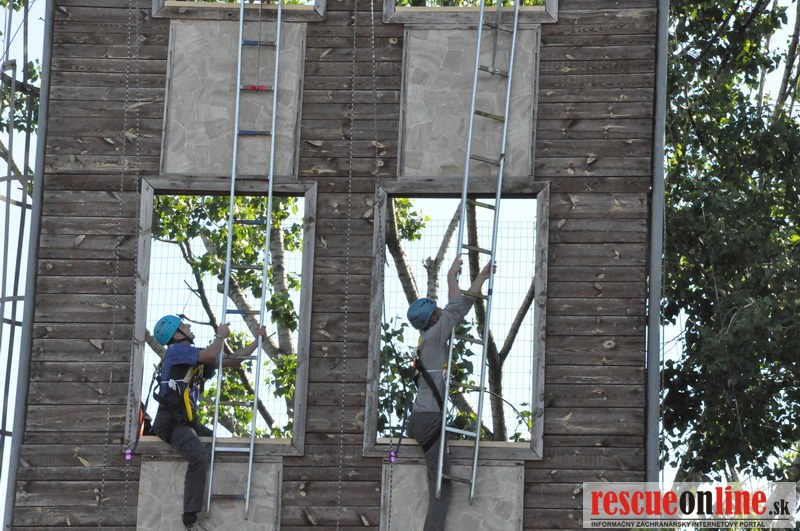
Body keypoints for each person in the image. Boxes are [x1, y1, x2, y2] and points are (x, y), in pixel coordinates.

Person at [151, 315, 267, 531]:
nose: (188, 325)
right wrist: (220, 336)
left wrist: (256, 342)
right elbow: (212, 353)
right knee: (198, 456)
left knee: (216, 443)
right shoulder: (176, 351)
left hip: (185, 420)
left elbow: (231, 361)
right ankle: (190, 518)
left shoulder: (191, 355)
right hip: (171, 421)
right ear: (177, 335)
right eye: (183, 325)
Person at [406, 256, 495, 531]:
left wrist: (481, 277)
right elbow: (454, 307)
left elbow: (460, 307)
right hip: (429, 419)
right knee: (440, 488)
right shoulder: (433, 338)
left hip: (424, 417)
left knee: (439, 484)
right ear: (433, 318)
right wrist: (449, 278)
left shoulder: (432, 336)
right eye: (438, 311)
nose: (441, 311)